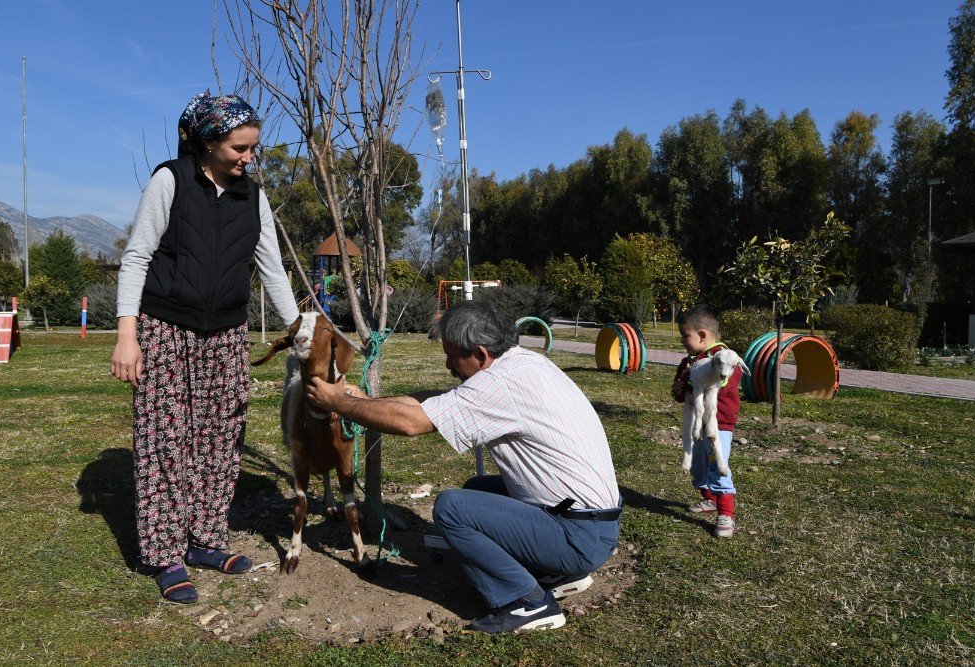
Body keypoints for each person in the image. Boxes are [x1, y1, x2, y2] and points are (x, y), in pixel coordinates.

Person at [304, 300, 622, 634]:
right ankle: (554, 572)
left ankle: (528, 604)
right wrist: (365, 402)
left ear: (481, 355)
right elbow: (435, 403)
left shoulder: (500, 385)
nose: (447, 363)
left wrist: (339, 402)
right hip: (591, 524)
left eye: (452, 355)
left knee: (453, 508)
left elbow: (413, 423)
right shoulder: (524, 364)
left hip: (579, 536)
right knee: (478, 491)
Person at [110, 91, 300, 603]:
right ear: (210, 142)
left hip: (227, 335)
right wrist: (127, 336)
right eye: (240, 148)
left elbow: (272, 272)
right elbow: (136, 259)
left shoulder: (253, 196)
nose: (249, 157)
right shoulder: (170, 181)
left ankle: (206, 540)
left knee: (220, 439)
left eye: (253, 148)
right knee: (165, 442)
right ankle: (167, 554)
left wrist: (302, 330)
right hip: (165, 329)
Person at [671, 305, 743, 538]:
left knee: (717, 464)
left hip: (718, 423)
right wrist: (679, 389)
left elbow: (723, 383)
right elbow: (681, 393)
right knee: (699, 466)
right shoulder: (688, 361)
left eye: (685, 336)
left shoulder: (726, 358)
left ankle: (726, 514)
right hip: (696, 424)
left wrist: (693, 381)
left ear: (702, 335)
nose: (683, 340)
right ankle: (709, 499)